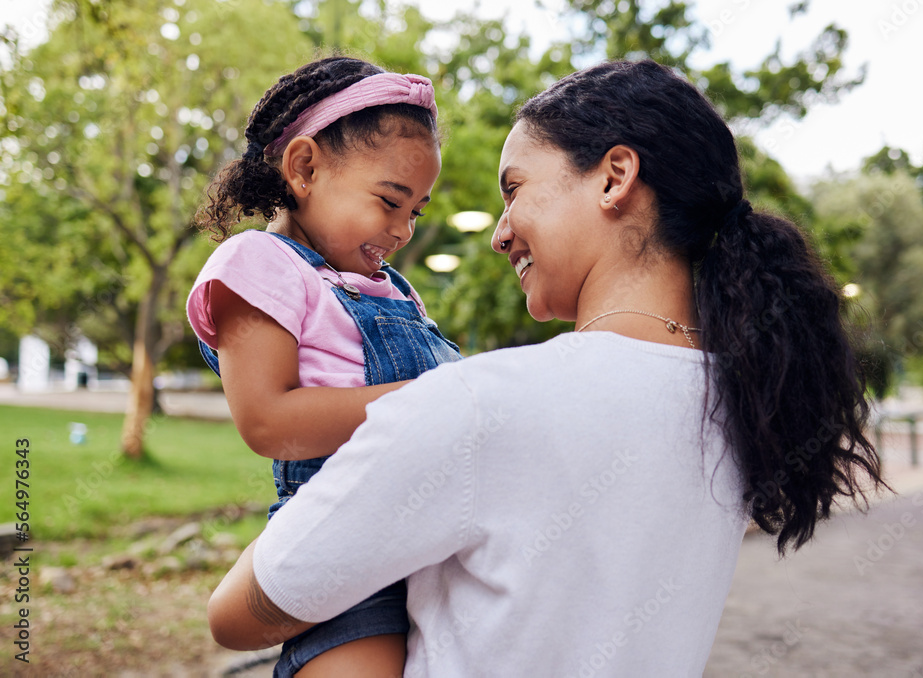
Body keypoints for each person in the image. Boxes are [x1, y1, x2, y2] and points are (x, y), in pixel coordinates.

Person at [207, 59, 886, 677]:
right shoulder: (738, 404)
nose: (500, 233)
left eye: (514, 188)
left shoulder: (477, 403)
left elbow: (236, 616)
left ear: (614, 177)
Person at [187, 55, 462, 677]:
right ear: (305, 167)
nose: (402, 231)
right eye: (391, 201)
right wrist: (437, 399)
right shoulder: (259, 263)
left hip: (438, 540)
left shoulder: (392, 289)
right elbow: (267, 420)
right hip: (349, 544)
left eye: (414, 211)